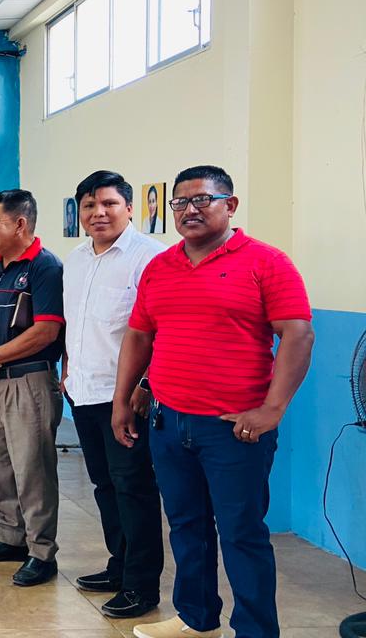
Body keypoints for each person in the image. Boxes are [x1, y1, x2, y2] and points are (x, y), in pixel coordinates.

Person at [114, 166, 313, 638]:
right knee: (186, 528)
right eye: (180, 203)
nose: (190, 210)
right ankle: (196, 619)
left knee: (242, 534)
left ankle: (256, 630)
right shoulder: (160, 267)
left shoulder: (267, 262)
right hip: (167, 423)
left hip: (233, 429)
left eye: (202, 199)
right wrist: (124, 398)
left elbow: (298, 334)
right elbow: (140, 335)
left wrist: (272, 409)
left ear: (231, 205)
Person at [62, 171, 166, 618]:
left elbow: (162, 331)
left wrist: (144, 386)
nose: (98, 213)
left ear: (129, 207)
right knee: (104, 485)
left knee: (134, 488)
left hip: (125, 398)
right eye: (89, 205)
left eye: (108, 204)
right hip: (83, 393)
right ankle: (119, 565)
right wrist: (67, 371)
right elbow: (75, 324)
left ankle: (142, 586)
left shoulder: (150, 258)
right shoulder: (76, 259)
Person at [0, 189, 65, 588]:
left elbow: (46, 330)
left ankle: (41, 551)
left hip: (27, 382)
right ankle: (10, 536)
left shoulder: (44, 266)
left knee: (32, 469)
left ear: (20, 224)